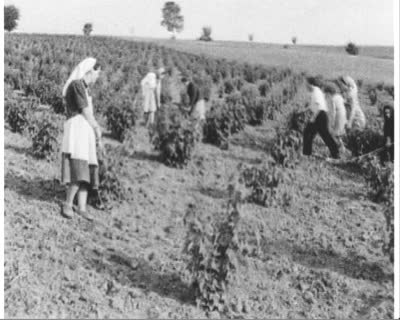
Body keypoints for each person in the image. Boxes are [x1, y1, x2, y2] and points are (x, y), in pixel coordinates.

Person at [61, 57, 103, 220]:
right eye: (96, 74)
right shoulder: (76, 85)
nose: (97, 78)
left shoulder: (84, 88)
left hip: (84, 132)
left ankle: (82, 207)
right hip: (77, 130)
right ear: (90, 71)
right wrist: (97, 127)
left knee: (87, 167)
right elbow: (85, 112)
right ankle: (68, 204)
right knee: (79, 168)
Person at [303, 77, 339, 159]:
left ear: (310, 84)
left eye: (306, 83)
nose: (305, 85)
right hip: (320, 115)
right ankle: (306, 153)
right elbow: (313, 105)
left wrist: (313, 118)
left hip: (320, 115)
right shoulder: (314, 91)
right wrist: (303, 110)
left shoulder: (316, 92)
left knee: (324, 134)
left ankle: (336, 153)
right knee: (309, 133)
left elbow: (319, 107)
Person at [324, 82, 347, 152]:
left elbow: (333, 112)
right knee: (338, 134)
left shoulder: (332, 99)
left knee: (333, 133)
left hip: (338, 118)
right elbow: (344, 102)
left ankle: (336, 148)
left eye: (326, 93)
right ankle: (342, 148)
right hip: (343, 116)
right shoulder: (339, 97)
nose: (326, 95)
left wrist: (331, 123)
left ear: (329, 92)